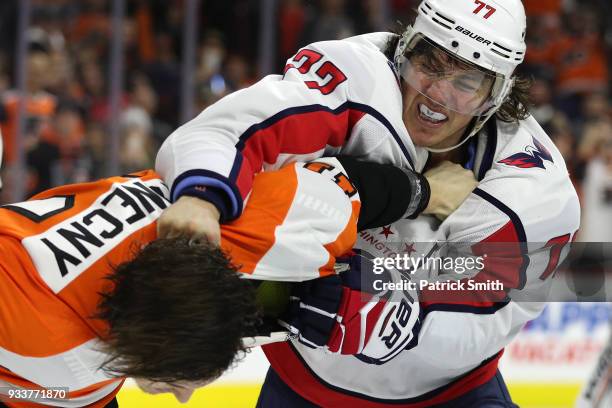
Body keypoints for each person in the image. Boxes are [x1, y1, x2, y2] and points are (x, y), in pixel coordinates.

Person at [154, 0, 580, 406]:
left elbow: (487, 310)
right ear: (404, 48)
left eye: (467, 82)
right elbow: (233, 129)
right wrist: (201, 199)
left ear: (497, 96)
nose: (438, 94)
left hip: (449, 396)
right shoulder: (355, 77)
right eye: (429, 63)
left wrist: (384, 317)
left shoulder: (533, 188)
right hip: (301, 383)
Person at [0, 154, 475, 407]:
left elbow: (340, 185)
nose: (183, 397)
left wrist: (427, 193)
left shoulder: (228, 226)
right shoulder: (57, 357)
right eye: (177, 380)